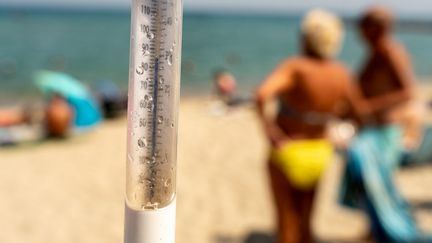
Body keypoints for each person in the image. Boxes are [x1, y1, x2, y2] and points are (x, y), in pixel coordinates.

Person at [255, 9, 364, 243]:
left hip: (288, 150)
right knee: (306, 221)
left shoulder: (296, 67)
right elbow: (358, 113)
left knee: (286, 222)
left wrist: (270, 131)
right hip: (319, 152)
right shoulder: (341, 73)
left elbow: (262, 94)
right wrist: (333, 127)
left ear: (305, 38)